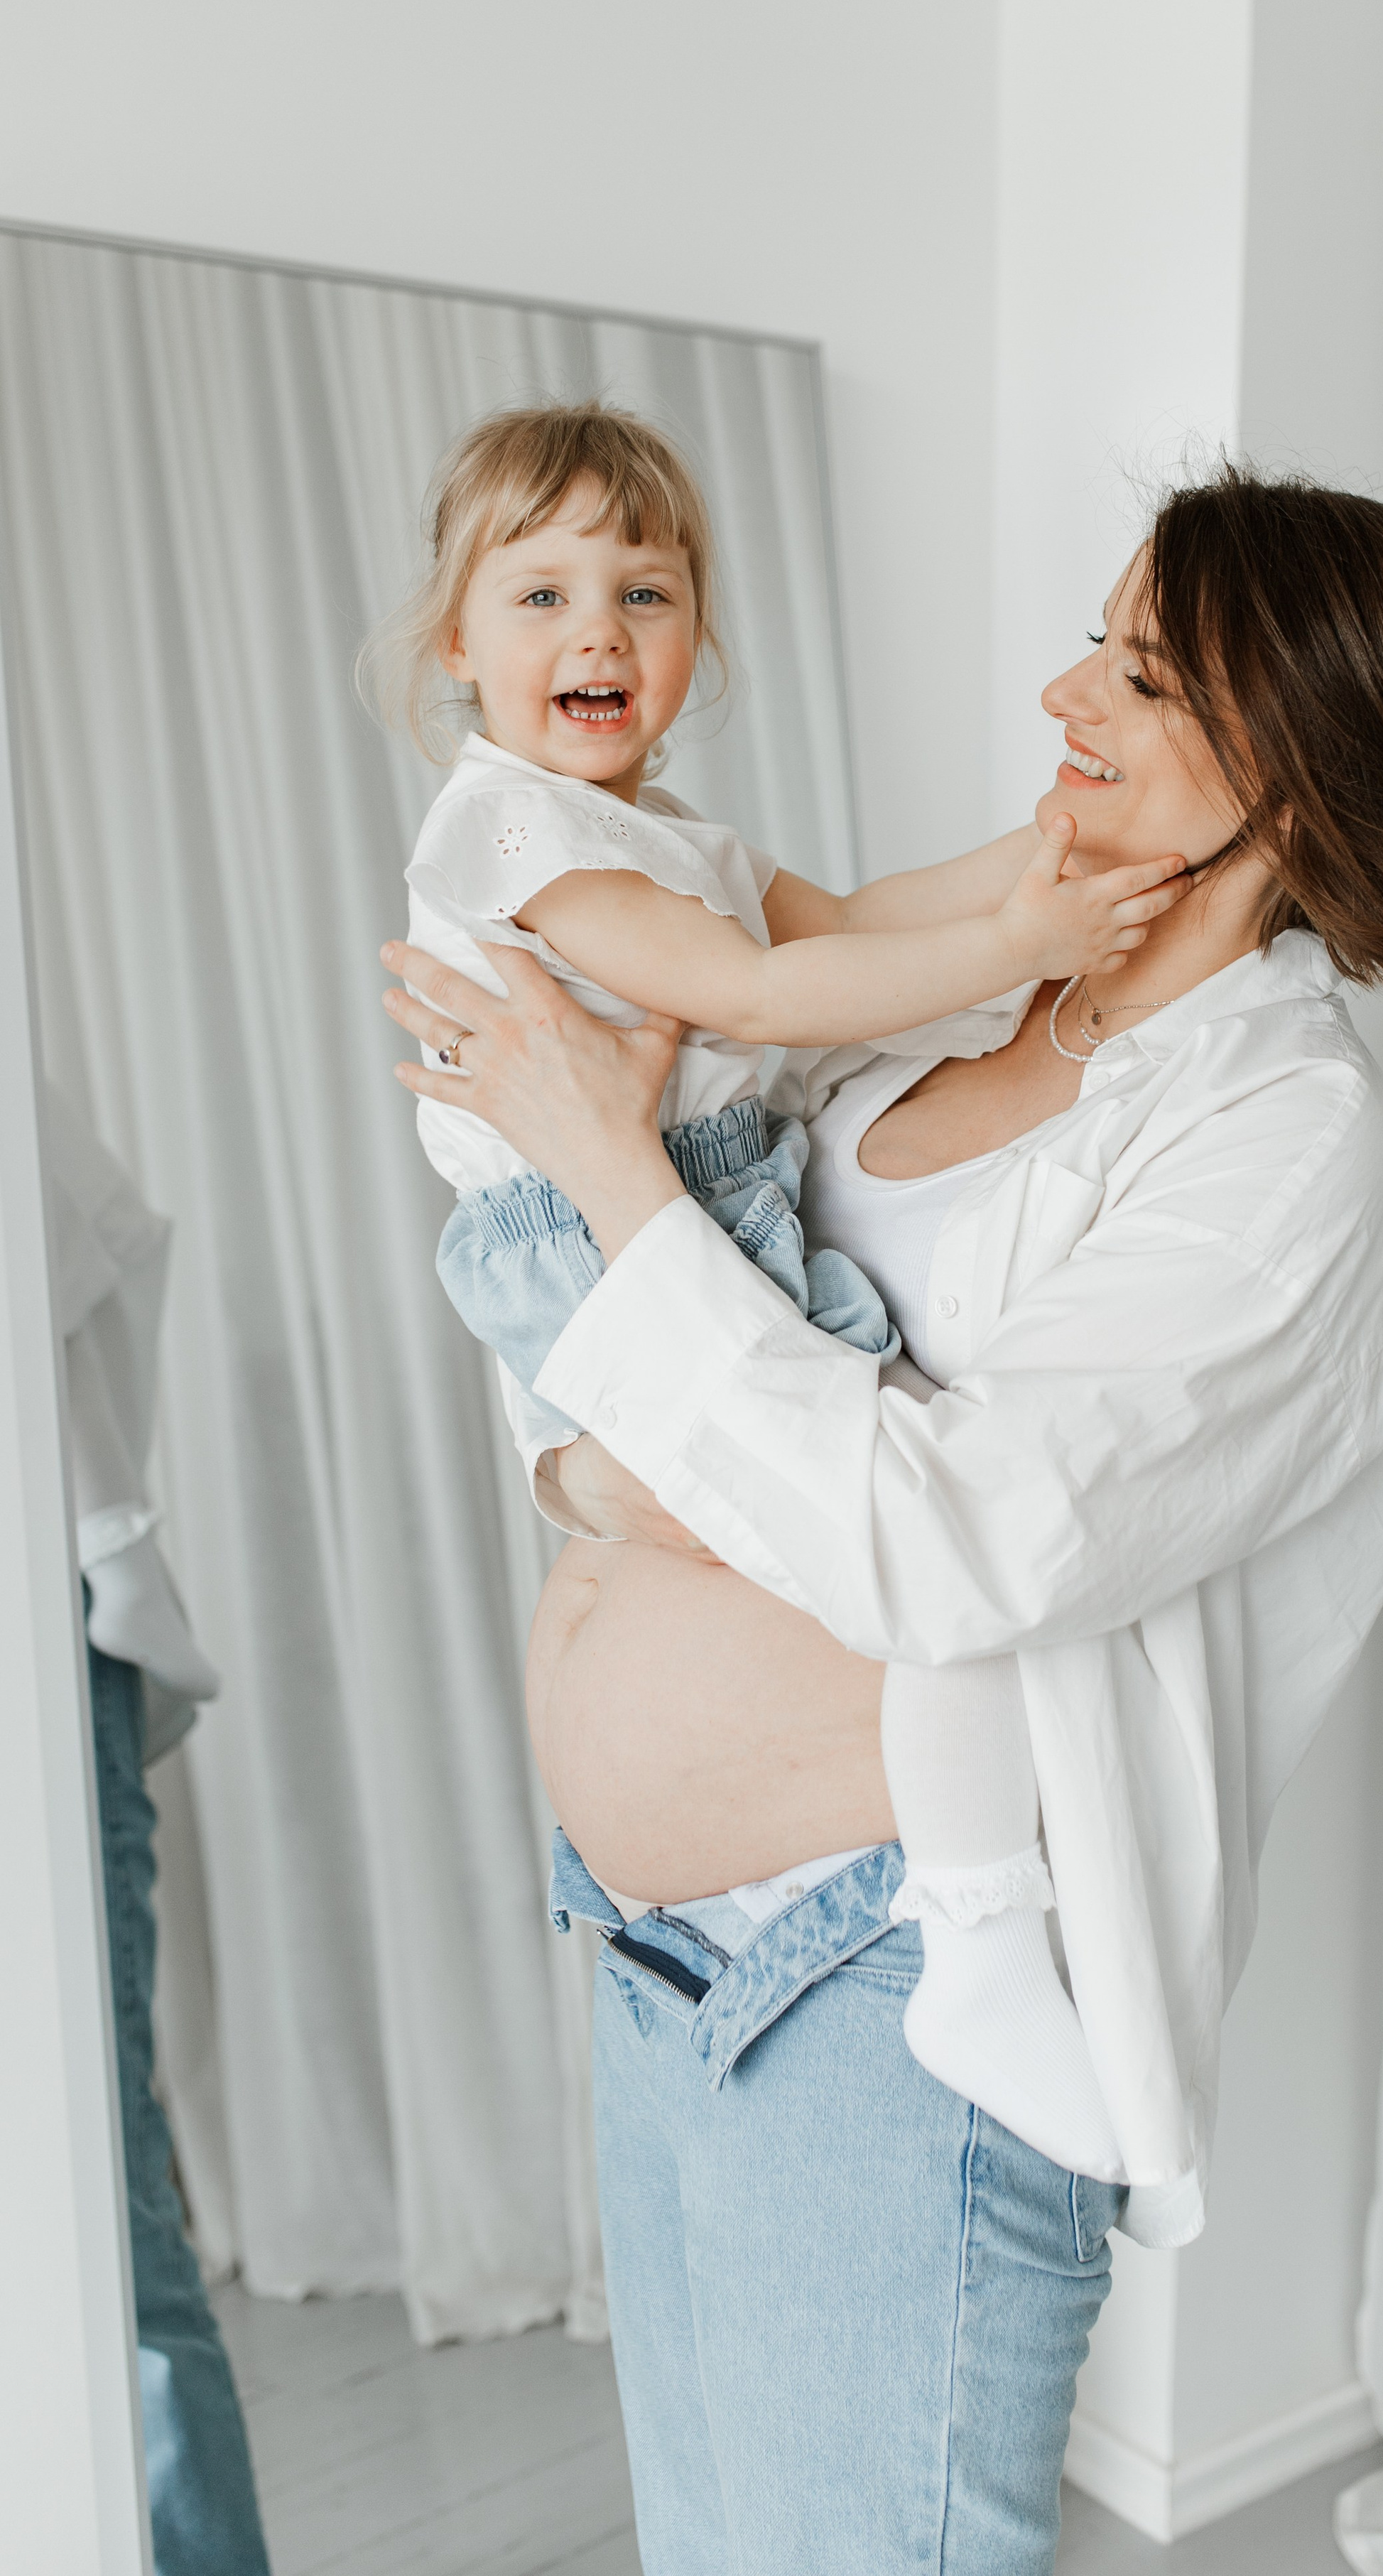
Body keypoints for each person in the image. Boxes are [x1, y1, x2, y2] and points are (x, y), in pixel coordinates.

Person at [380, 465, 1383, 2575]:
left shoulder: (1289, 1161)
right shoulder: (977, 1010)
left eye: (1143, 669)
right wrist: (581, 1470)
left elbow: (941, 1543)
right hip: (653, 1956)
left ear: (1288, 765)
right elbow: (666, 1391)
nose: (1059, 686)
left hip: (886, 1999)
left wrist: (598, 1168)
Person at [381, 400, 1189, 2177]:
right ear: (456, 643)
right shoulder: (505, 836)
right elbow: (739, 1002)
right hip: (606, 1222)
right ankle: (977, 1924)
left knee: (910, 1518)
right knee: (894, 1522)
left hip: (692, 1198)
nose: (598, 630)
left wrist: (1031, 868)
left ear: (695, 641)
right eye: (540, 595)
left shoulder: (668, 828)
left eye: (645, 590)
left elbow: (839, 923)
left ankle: (969, 1918)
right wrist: (1010, 953)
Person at [44, 1085, 272, 2576]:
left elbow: (102, 1250)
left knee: (101, 2231)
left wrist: (108, 1538)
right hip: (80, 1641)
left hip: (59, 1673)